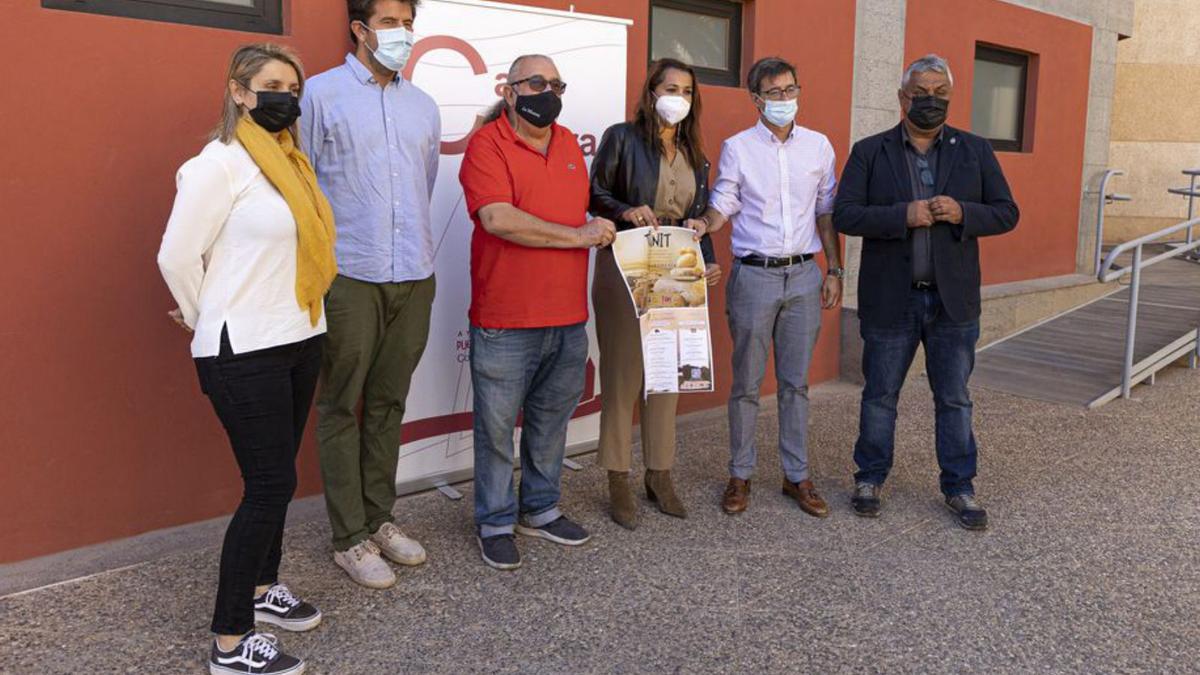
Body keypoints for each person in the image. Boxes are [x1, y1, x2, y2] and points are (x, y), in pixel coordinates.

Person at [158, 43, 335, 675]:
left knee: (278, 474)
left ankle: (263, 593)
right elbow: (176, 257)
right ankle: (230, 643)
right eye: (271, 85)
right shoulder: (218, 165)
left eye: (293, 85)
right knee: (269, 486)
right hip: (243, 348)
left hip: (298, 335)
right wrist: (204, 317)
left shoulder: (291, 162)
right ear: (239, 92)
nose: (285, 95)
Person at [833, 54, 1018, 530]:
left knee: (954, 397)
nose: (930, 101)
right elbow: (846, 215)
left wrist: (963, 213)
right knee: (879, 395)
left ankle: (960, 486)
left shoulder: (974, 150)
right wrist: (902, 215)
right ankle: (869, 478)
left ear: (951, 98)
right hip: (891, 299)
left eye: (940, 94)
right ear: (902, 98)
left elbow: (1006, 212)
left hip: (952, 302)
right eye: (921, 92)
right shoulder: (870, 151)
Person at [299, 0, 439, 589]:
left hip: (413, 272)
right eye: (389, 23)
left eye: (408, 23)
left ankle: (380, 518)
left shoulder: (423, 106)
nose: (402, 33)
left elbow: (423, 181)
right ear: (359, 29)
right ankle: (348, 537)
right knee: (341, 405)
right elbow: (302, 184)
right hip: (350, 275)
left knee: (388, 403)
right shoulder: (321, 94)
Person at [459, 54, 616, 570]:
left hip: (568, 315)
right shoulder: (486, 144)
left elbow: (579, 208)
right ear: (509, 91)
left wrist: (604, 221)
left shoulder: (570, 143)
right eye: (535, 83)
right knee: (497, 427)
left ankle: (542, 508)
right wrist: (578, 236)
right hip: (506, 318)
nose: (547, 92)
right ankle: (496, 520)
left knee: (551, 421)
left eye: (555, 84)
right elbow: (498, 218)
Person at [691, 57, 843, 518]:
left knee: (796, 383)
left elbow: (827, 212)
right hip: (754, 275)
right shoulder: (737, 147)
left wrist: (835, 269)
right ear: (755, 99)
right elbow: (725, 199)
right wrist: (704, 223)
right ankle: (740, 474)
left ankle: (796, 475)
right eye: (774, 93)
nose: (784, 100)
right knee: (747, 384)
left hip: (803, 274)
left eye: (790, 90)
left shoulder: (818, 146)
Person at [588, 58, 722, 529]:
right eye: (671, 87)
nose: (678, 97)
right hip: (628, 260)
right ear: (651, 92)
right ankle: (618, 478)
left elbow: (699, 216)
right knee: (625, 374)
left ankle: (659, 473)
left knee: (667, 374)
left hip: (677, 267)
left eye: (686, 90)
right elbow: (594, 194)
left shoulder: (696, 153)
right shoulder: (621, 138)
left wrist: (707, 260)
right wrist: (627, 209)